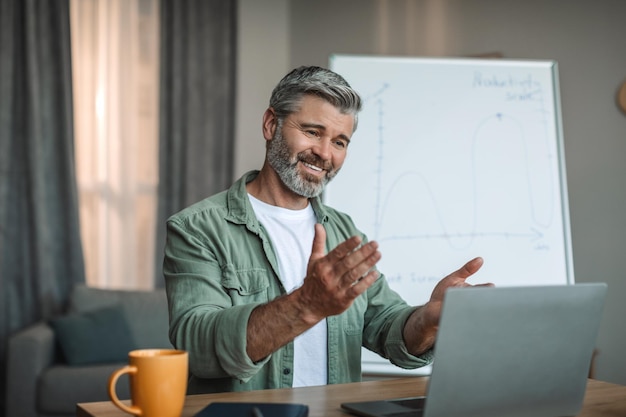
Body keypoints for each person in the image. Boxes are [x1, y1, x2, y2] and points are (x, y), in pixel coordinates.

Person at [163, 65, 490, 394]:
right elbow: (197, 348)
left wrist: (429, 319)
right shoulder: (197, 228)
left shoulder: (343, 230)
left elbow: (384, 324)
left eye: (339, 141)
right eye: (312, 132)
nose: (324, 153)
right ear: (270, 124)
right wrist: (307, 304)